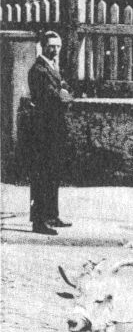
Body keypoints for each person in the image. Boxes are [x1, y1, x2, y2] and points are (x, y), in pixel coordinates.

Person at [26, 31, 73, 235]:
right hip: (42, 130)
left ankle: (52, 215)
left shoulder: (52, 67)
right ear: (43, 46)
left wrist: (64, 93)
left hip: (53, 128)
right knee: (41, 175)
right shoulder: (38, 69)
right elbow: (52, 97)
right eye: (50, 46)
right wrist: (63, 95)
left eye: (57, 46)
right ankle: (39, 221)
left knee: (53, 173)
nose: (54, 49)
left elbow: (65, 89)